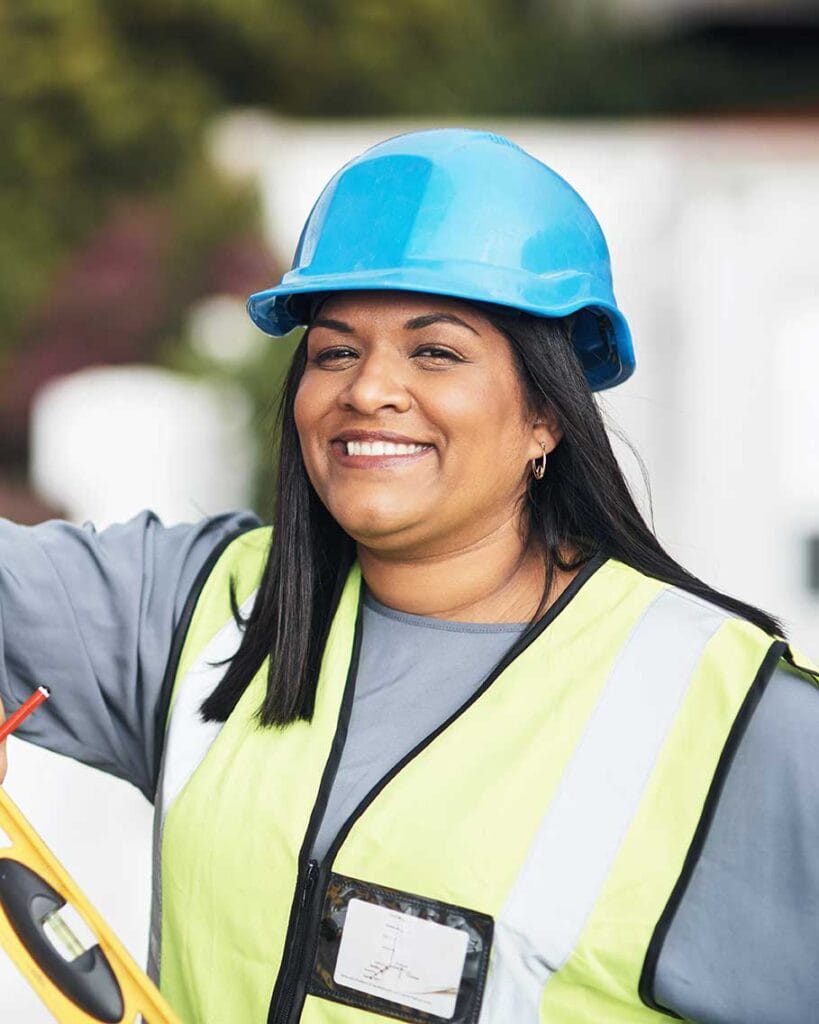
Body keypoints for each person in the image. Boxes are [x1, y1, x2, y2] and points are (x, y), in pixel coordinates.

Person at [1, 128, 818, 1024]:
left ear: (546, 412)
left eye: (435, 352)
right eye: (335, 351)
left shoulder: (739, 720)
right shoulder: (201, 608)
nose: (368, 390)